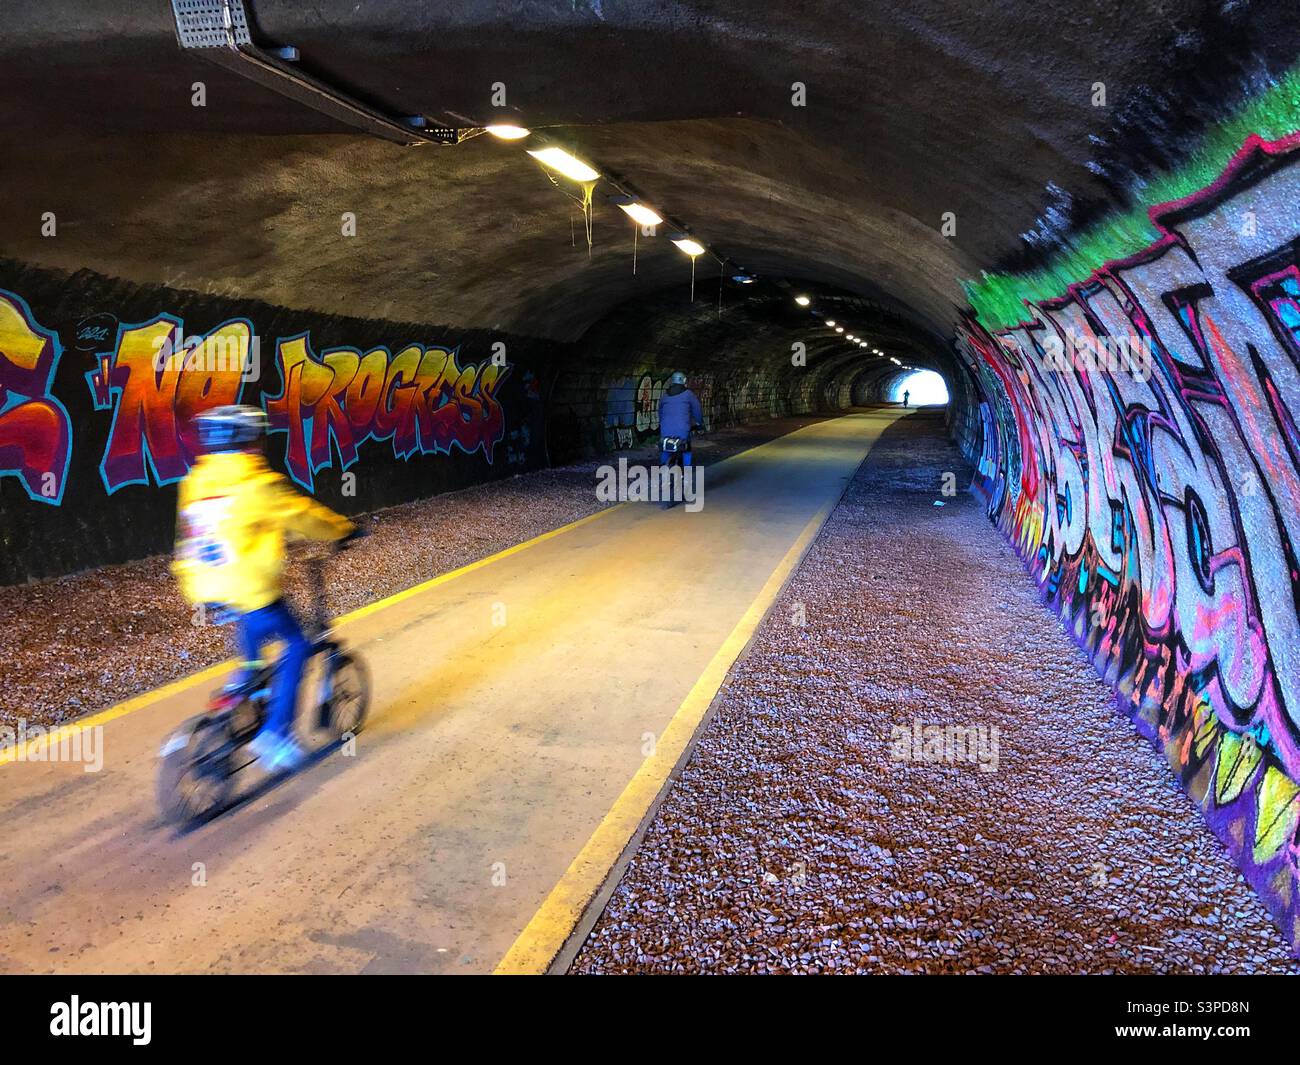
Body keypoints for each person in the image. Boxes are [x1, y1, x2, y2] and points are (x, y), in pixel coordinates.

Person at [171, 405, 355, 771]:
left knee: (254, 656)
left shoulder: (194, 482)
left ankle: (242, 690)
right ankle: (275, 734)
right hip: (250, 588)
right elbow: (303, 516)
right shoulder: (258, 484)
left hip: (204, 585)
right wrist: (343, 530)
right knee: (299, 645)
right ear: (248, 440)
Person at [657, 371, 703, 468]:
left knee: (665, 446)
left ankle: (662, 466)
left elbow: (660, 411)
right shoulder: (688, 394)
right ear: (684, 381)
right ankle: (686, 470)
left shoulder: (665, 395)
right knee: (686, 448)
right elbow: (697, 409)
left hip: (665, 428)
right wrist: (699, 423)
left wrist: (662, 424)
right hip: (682, 429)